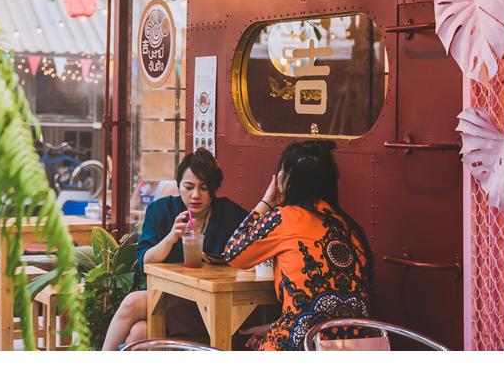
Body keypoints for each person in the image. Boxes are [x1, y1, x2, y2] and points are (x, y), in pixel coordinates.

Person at [223, 140, 373, 350]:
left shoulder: (284, 218)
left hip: (303, 345)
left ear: (287, 180)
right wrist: (273, 326)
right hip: (356, 348)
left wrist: (266, 201)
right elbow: (333, 310)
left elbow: (233, 252)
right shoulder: (348, 226)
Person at [102, 148, 248, 350]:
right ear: (178, 185)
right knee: (138, 332)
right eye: (189, 187)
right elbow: (145, 261)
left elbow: (253, 233)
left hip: (207, 302)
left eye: (204, 188)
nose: (195, 195)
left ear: (213, 190)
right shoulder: (162, 210)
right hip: (166, 297)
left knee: (133, 305)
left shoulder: (227, 213)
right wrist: (171, 237)